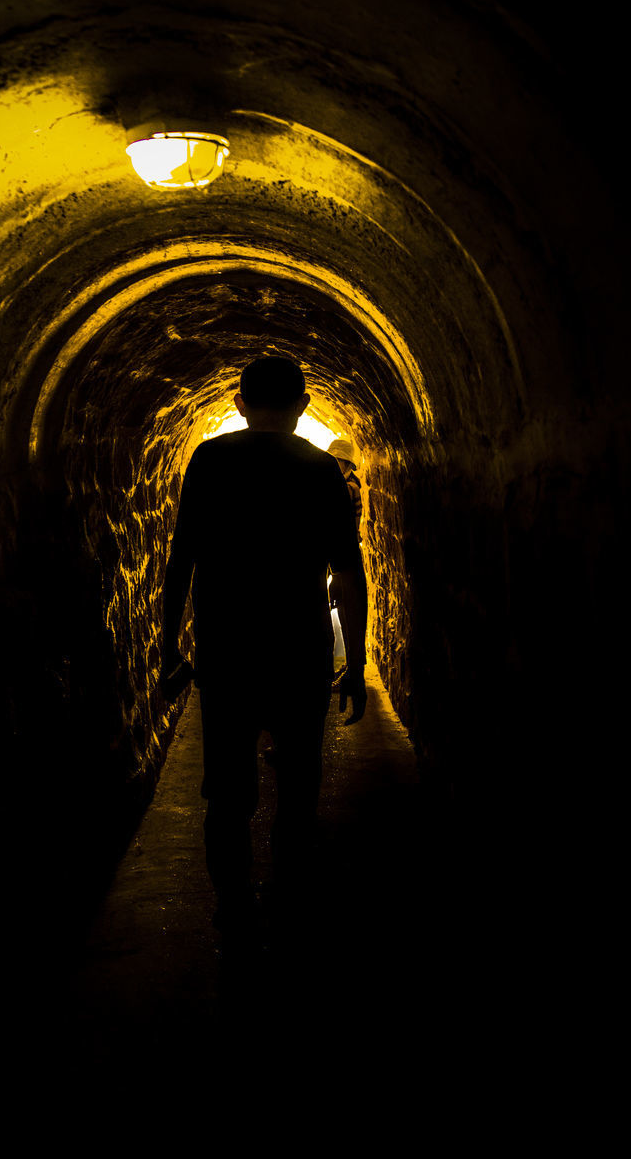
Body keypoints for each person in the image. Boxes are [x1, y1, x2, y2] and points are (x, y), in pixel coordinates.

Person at [161, 355, 368, 936]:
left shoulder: (209, 461)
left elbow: (182, 559)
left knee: (227, 792)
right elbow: (350, 574)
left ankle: (233, 903)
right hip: (299, 652)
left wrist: (168, 646)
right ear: (303, 408)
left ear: (239, 404)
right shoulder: (323, 470)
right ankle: (289, 892)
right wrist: (354, 665)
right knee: (299, 784)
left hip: (227, 653)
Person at [326, 438, 363, 684]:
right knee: (346, 611)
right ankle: (352, 669)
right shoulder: (349, 485)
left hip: (344, 558)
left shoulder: (347, 488)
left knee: (348, 614)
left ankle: (353, 671)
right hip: (345, 558)